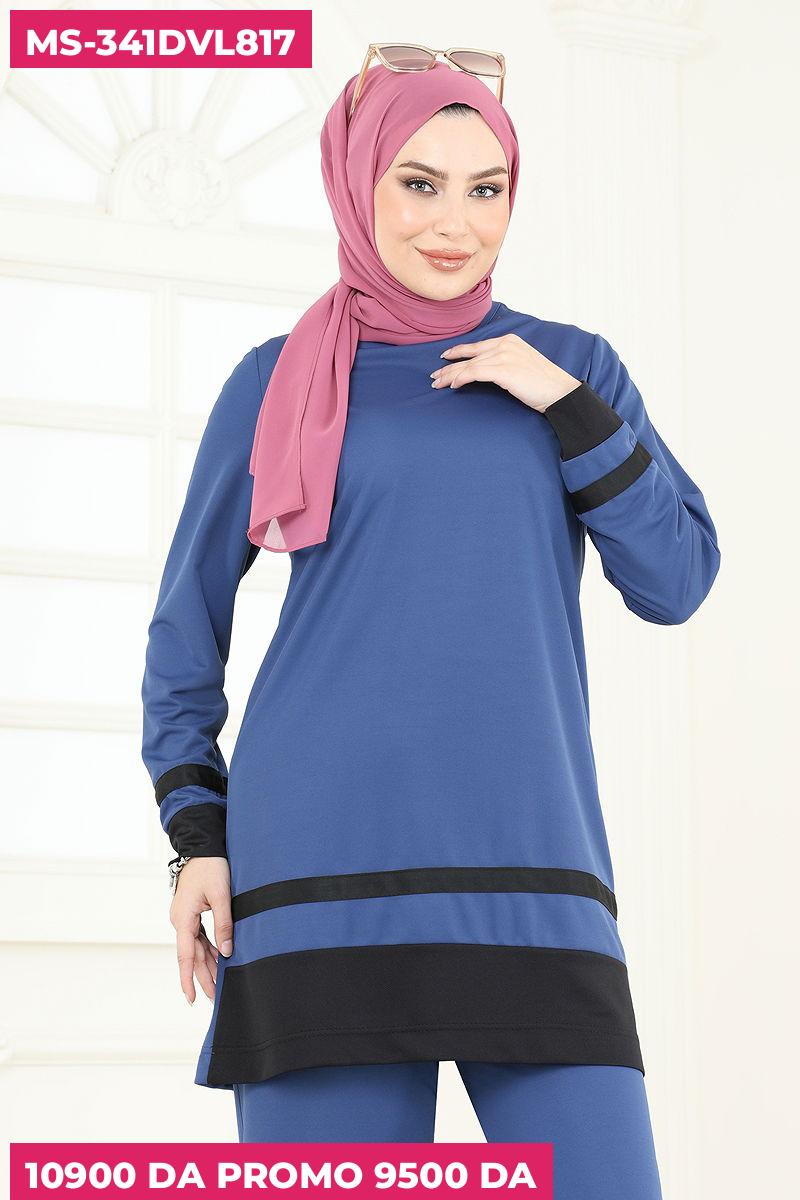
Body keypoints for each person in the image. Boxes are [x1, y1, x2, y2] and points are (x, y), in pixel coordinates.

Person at [140, 49, 720, 1186]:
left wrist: (564, 404)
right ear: (356, 184)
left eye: (484, 188)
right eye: (418, 183)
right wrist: (196, 837)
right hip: (315, 870)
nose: (455, 223)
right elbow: (184, 627)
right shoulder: (275, 380)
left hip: (530, 865)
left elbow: (677, 579)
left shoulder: (570, 369)